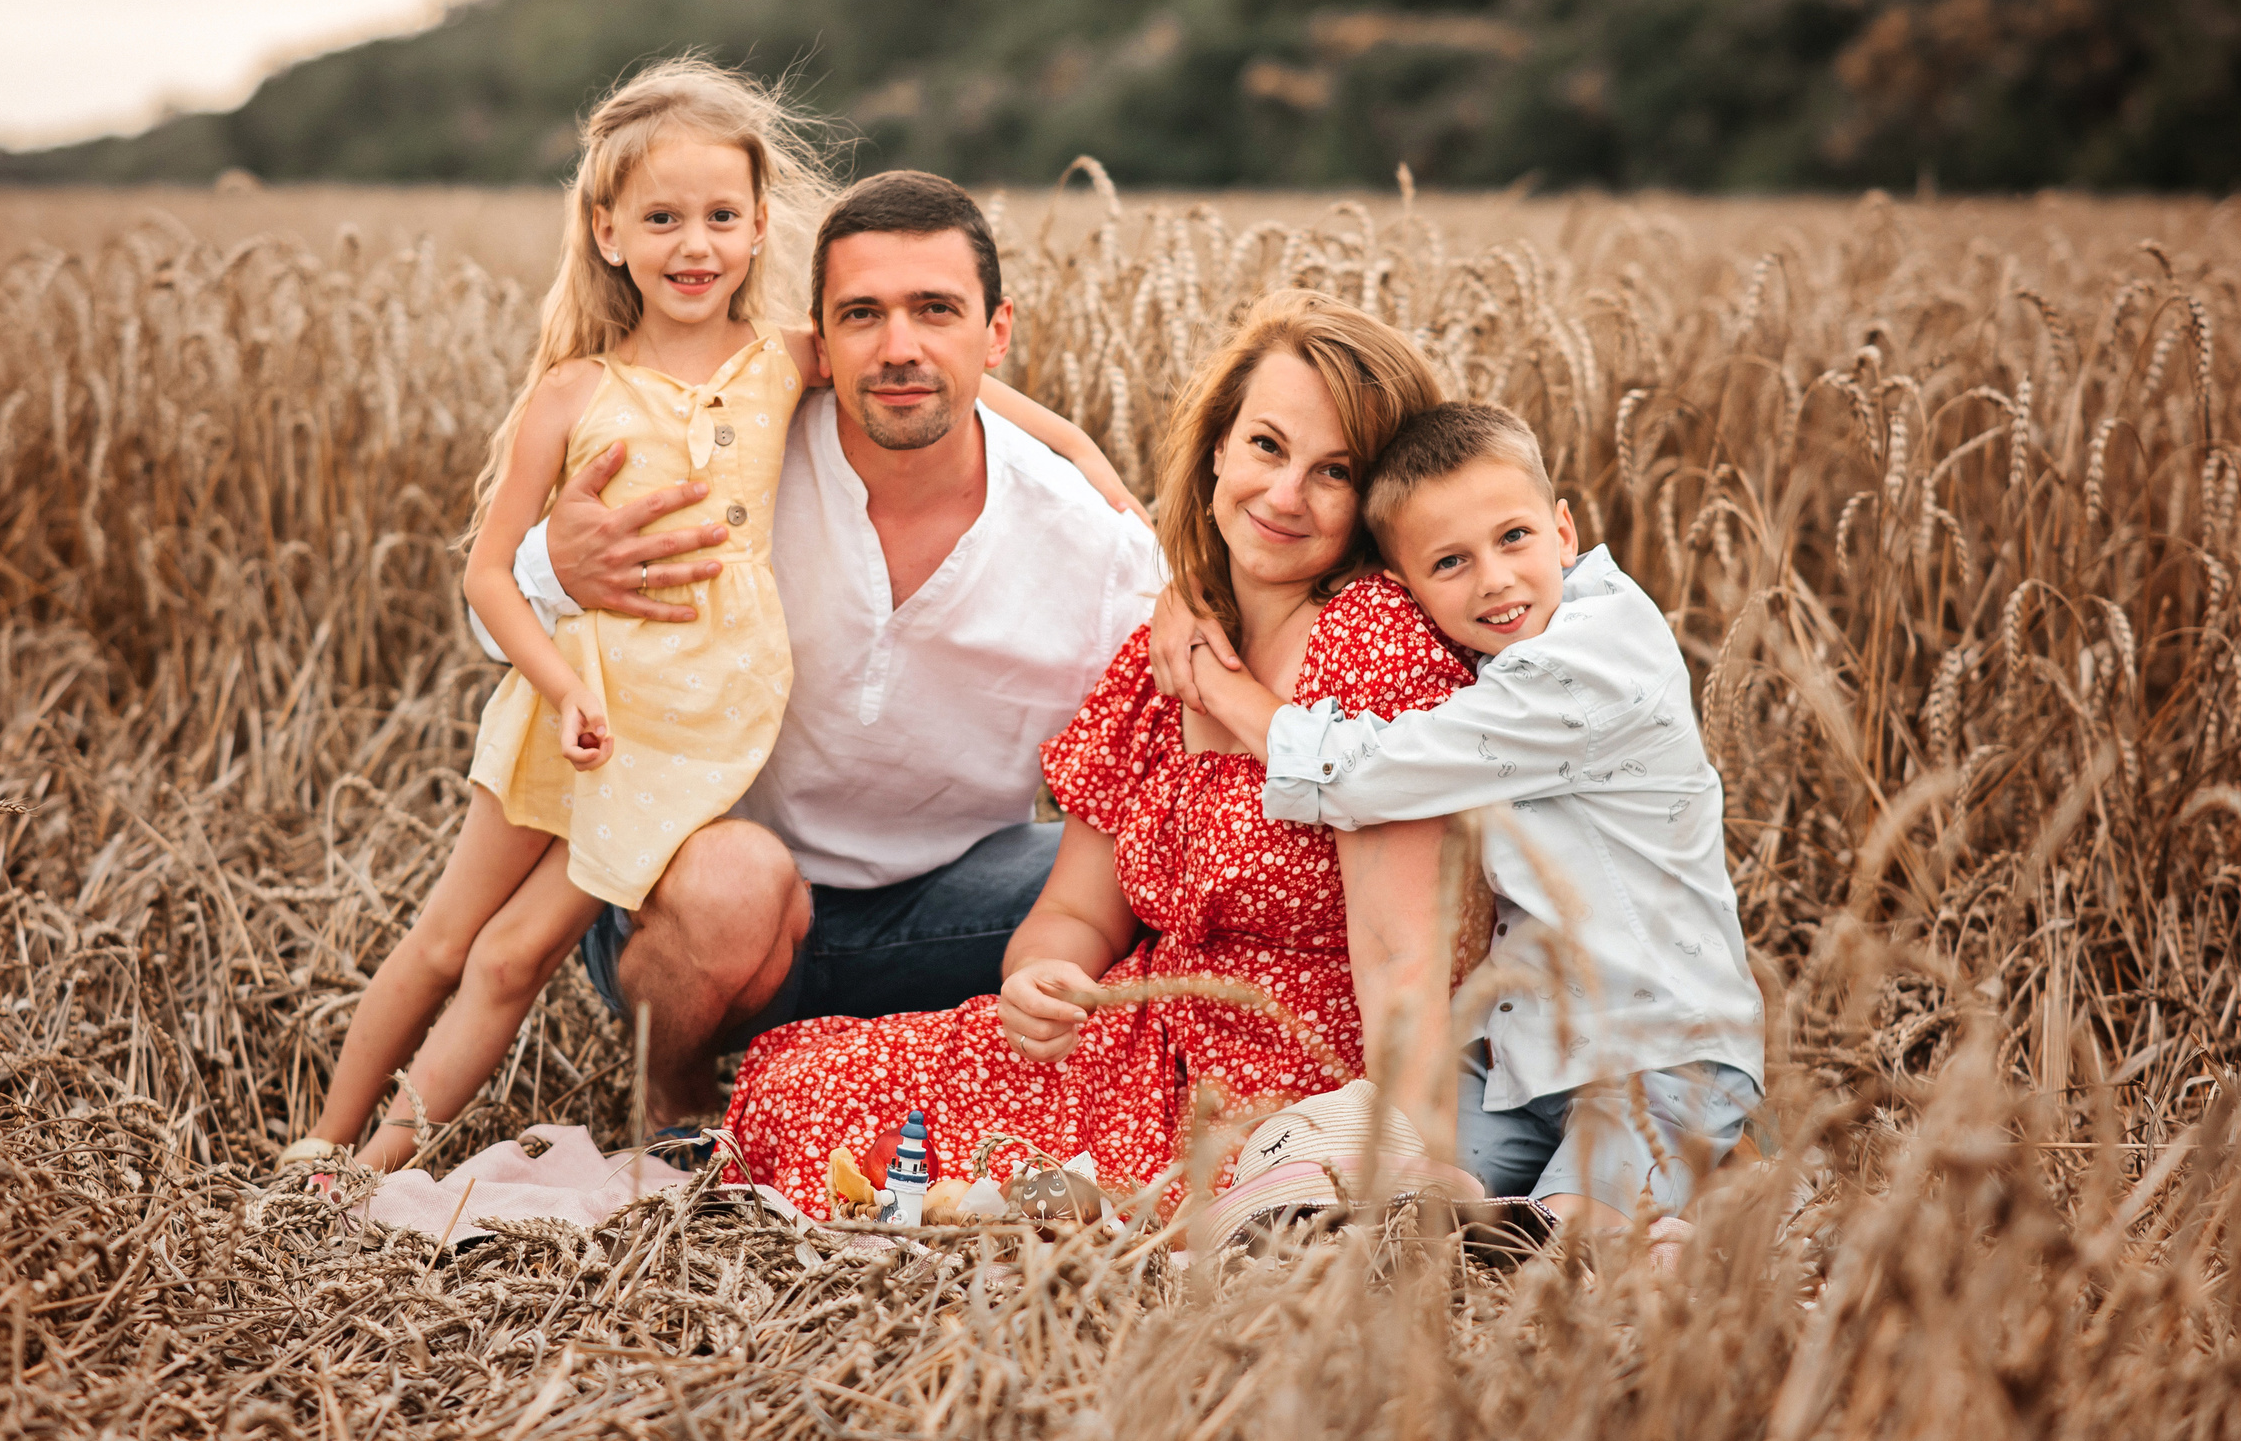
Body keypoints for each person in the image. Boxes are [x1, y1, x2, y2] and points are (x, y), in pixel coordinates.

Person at [282, 69, 1127, 1174]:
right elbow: (494, 580)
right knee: (471, 937)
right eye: (664, 217)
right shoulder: (623, 395)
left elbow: (938, 377)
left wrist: (1090, 464)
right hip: (645, 782)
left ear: (760, 226)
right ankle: (358, 1145)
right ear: (607, 229)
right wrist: (559, 609)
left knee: (1124, 873)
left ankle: (388, 1152)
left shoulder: (794, 381)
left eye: (721, 217)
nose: (696, 244)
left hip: (816, 829)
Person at [721, 295, 1501, 1217]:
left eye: (1334, 471)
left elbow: (1402, 949)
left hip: (1297, 1072)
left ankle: (1052, 1205)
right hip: (1139, 1038)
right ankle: (1024, 1199)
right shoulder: (1157, 659)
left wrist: (1400, 1150)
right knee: (798, 1080)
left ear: (1374, 502)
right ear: (1217, 446)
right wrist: (1039, 981)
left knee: (1182, 1201)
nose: (1285, 494)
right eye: (1266, 446)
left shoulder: (1371, 641)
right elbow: (1074, 914)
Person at [502, 166, 1165, 1140]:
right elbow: (498, 624)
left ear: (997, 331)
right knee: (737, 879)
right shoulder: (732, 460)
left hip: (951, 910)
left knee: (1146, 866)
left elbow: (1171, 765)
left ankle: (951, 1071)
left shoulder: (1094, 549)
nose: (899, 348)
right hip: (702, 902)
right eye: (863, 314)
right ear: (818, 337)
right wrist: (553, 570)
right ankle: (673, 1092)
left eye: (935, 310)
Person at [1186, 401, 1767, 1241]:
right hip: (1522, 1058)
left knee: (1566, 1238)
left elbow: (1373, 771)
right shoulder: (1492, 651)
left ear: (1564, 531)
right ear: (1405, 587)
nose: (1493, 578)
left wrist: (1224, 688)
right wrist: (1183, 596)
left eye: (1515, 538)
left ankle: (1665, 1236)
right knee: (1397, 1194)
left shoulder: (1594, 661)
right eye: (1450, 561)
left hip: (1662, 1053)